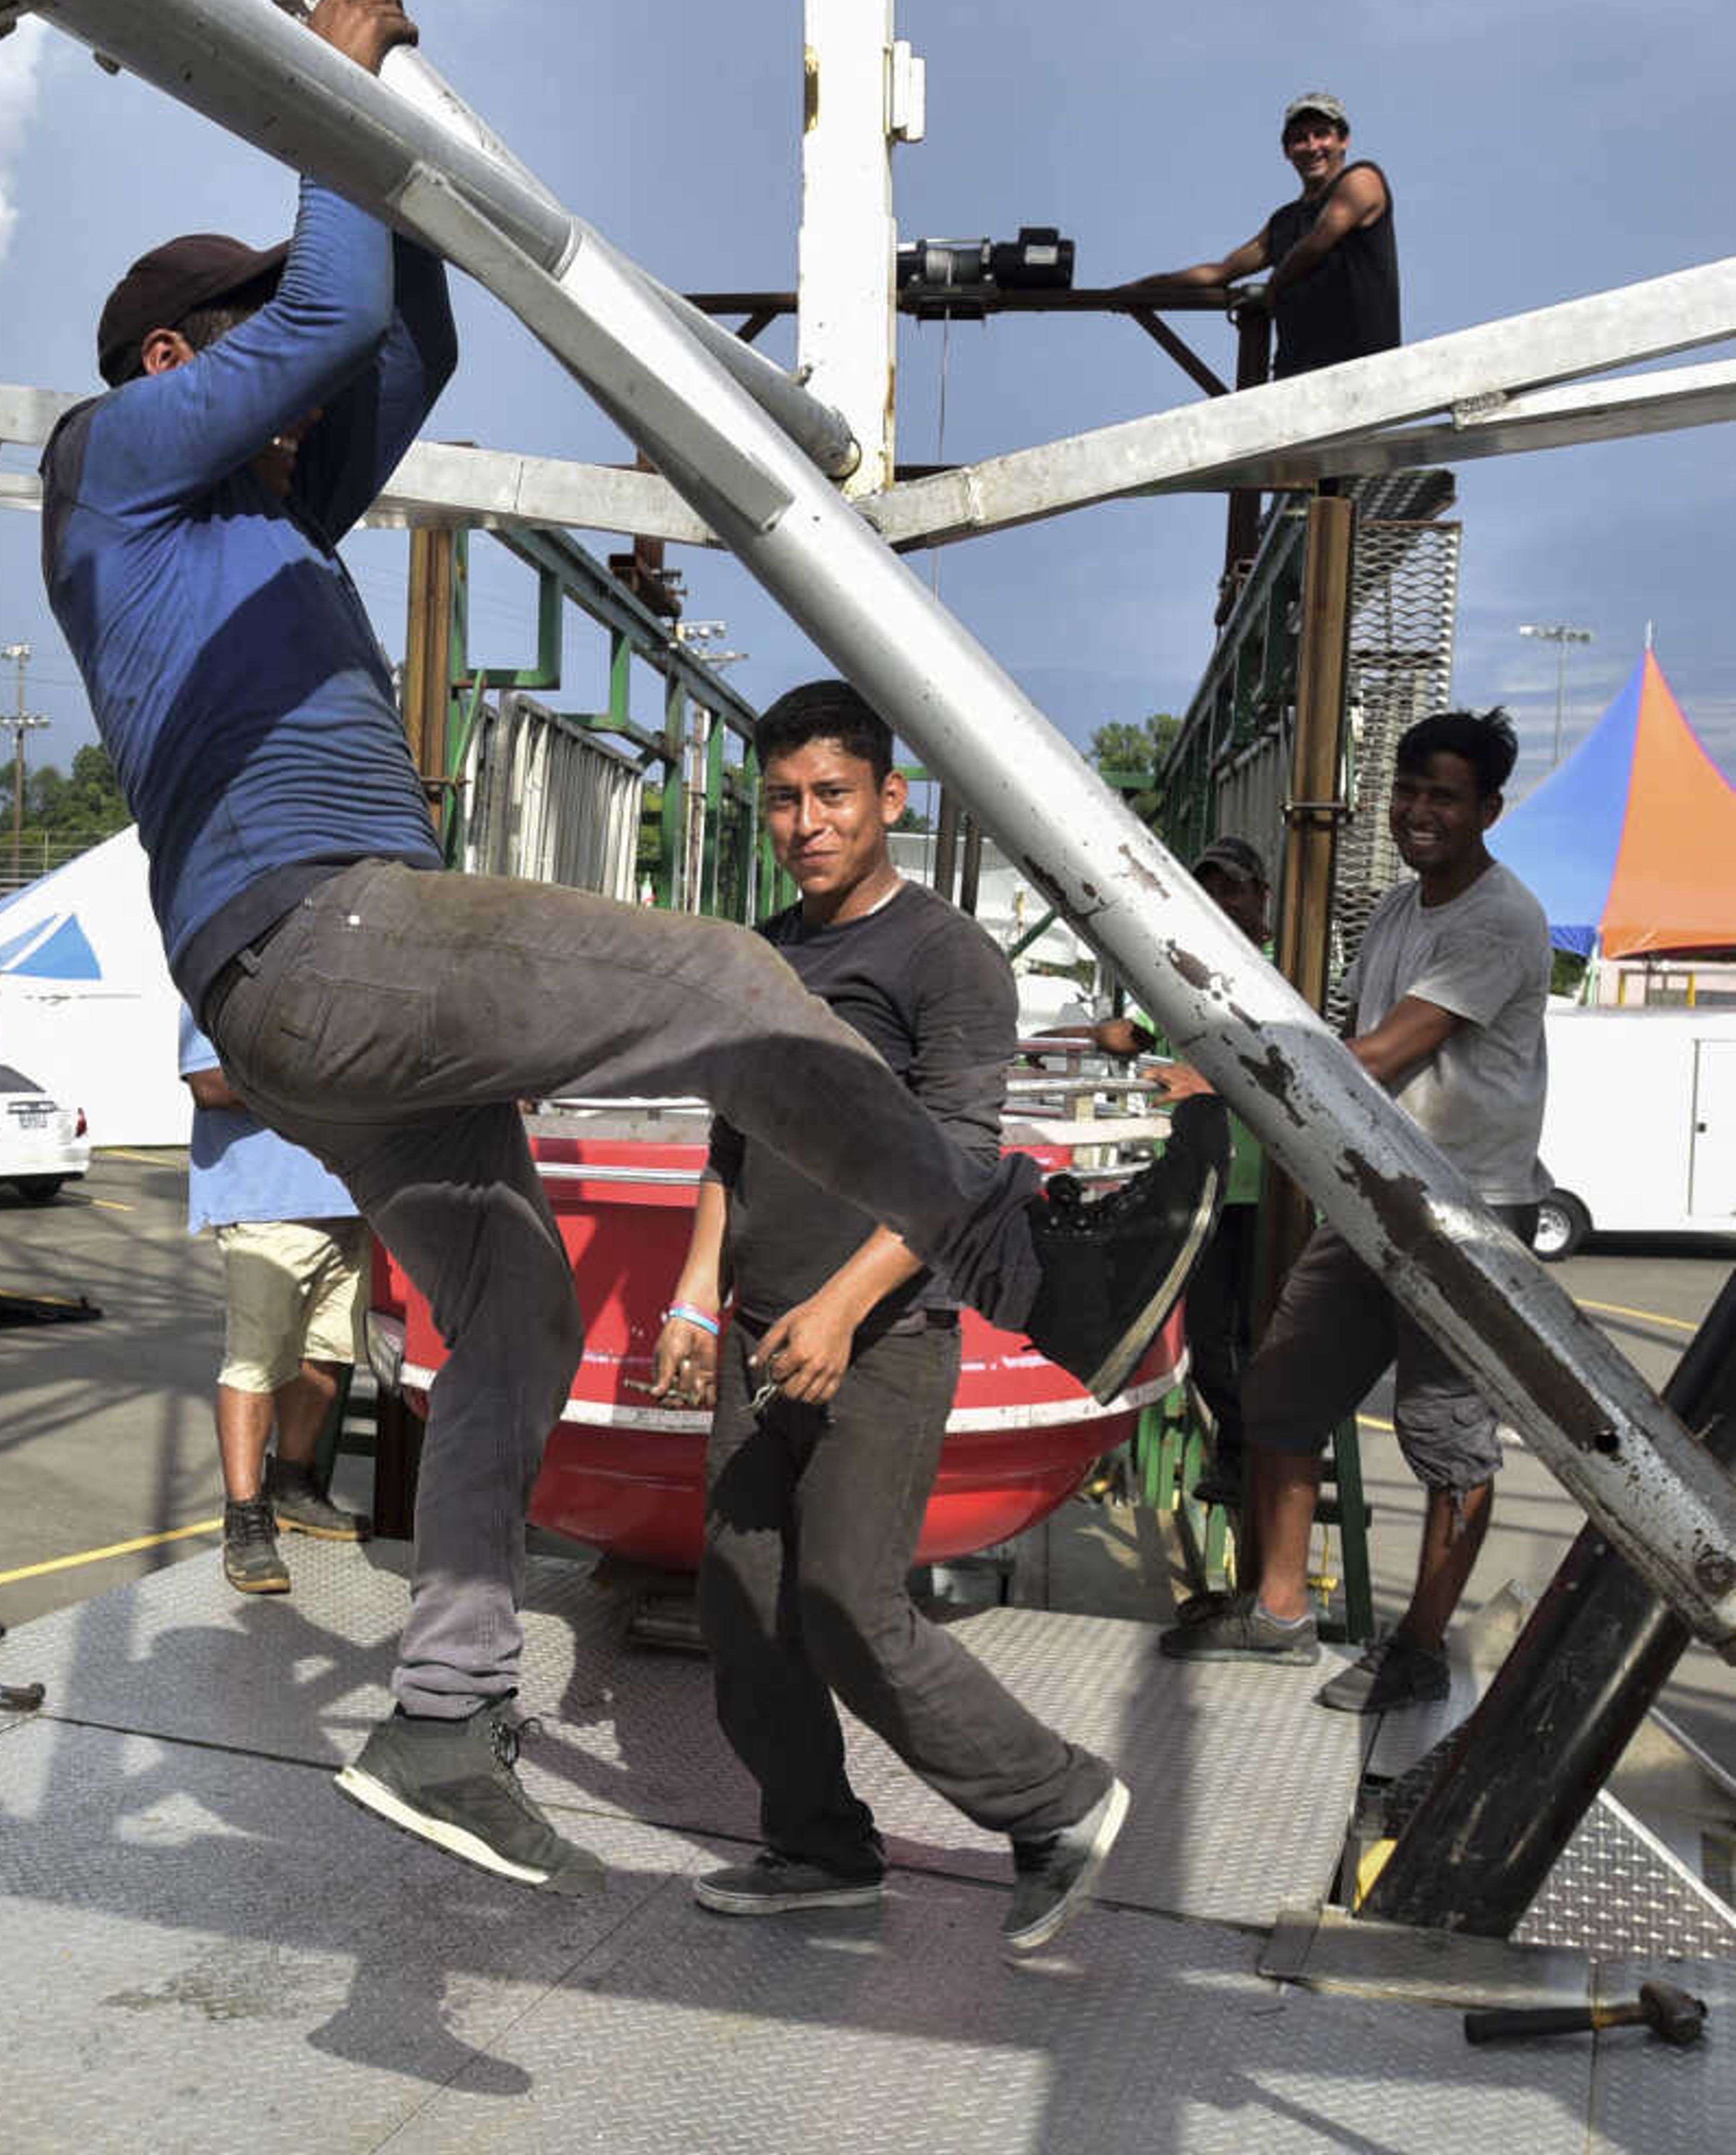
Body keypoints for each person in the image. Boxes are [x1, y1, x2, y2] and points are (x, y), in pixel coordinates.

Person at [41, 0, 1223, 1889]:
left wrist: (399, 133)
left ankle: (444, 1717)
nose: (301, 392)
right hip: (323, 932)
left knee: (510, 1307)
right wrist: (321, 97)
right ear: (182, 360)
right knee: (726, 976)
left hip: (323, 996)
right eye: (255, 346)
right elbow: (335, 303)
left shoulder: (269, 507)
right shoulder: (122, 462)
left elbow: (402, 338)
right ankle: (1007, 1258)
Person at [660, 681, 1139, 1954]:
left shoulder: (946, 958)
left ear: (889, 799)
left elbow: (960, 1163)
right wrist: (693, 1298)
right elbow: (733, 1141)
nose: (806, 823)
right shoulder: (765, 954)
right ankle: (819, 1846)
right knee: (739, 1600)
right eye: (782, 799)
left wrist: (838, 1307)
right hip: (763, 1328)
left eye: (831, 796)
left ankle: (1061, 1800)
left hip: (881, 1335)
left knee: (844, 1600)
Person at [1161, 709, 1550, 1713]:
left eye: (1445, 798)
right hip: (1374, 1197)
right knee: (1284, 1394)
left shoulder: (1498, 920)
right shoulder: (1396, 911)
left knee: (1448, 1436)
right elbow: (1345, 1036)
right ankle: (1282, 1611)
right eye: (1410, 791)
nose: (1419, 812)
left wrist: (1224, 1073)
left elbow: (1386, 1054)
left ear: (1488, 811)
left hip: (1460, 1213)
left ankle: (1418, 1648)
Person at [1094, 835, 1272, 1506]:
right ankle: (1243, 1449)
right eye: (1207, 889)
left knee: (1256, 1339)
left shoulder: (1287, 976)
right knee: (1201, 1334)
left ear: (1261, 895)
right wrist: (1071, 1038)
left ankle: (1256, 1458)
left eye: (1232, 887)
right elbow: (1135, 1033)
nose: (1220, 902)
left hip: (1266, 1191)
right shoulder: (1184, 973)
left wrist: (1211, 1085)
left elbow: (1306, 1070)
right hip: (1202, 1186)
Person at [181, 1006, 371, 1596]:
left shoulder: (338, 983)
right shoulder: (216, 983)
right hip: (266, 1206)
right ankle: (245, 1518)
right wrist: (332, 1083)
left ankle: (292, 1486)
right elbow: (210, 1085)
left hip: (351, 1202)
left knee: (326, 1360)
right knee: (255, 1363)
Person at [1139, 90, 1399, 381]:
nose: (1312, 146)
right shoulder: (1284, 223)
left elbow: (1316, 244)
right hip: (1296, 377)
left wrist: (1270, 289)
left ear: (1344, 140)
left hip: (1364, 373)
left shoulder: (1363, 180)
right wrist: (1137, 290)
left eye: (1322, 134)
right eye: (1300, 139)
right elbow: (1219, 272)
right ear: (1287, 152)